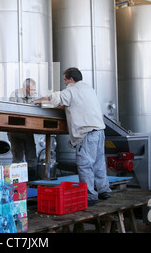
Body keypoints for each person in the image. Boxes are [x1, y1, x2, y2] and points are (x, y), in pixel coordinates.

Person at [33, 68, 111, 205]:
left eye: (65, 80)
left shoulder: (72, 90)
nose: (64, 83)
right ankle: (104, 190)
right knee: (99, 163)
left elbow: (53, 98)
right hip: (99, 131)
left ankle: (90, 196)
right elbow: (71, 104)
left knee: (85, 165)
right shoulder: (88, 89)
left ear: (71, 80)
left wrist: (36, 101)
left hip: (86, 133)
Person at [8, 78, 38, 179]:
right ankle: (17, 182)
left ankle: (33, 181)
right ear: (24, 88)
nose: (33, 92)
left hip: (28, 130)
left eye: (34, 90)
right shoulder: (15, 94)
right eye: (31, 90)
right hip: (15, 129)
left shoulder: (34, 95)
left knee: (32, 155)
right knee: (17, 156)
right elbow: (12, 111)